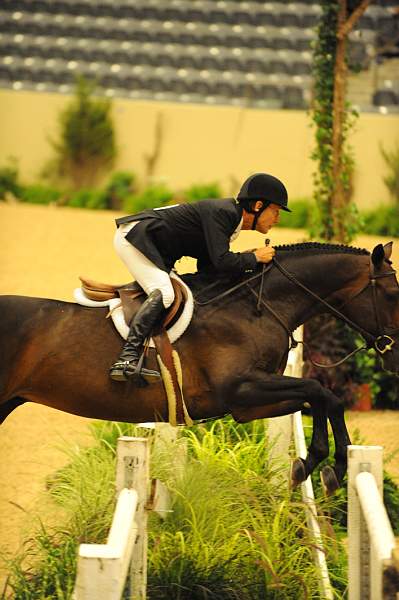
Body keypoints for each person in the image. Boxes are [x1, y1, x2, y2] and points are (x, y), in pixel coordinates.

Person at [110, 172, 290, 382]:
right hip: (136, 237)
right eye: (275, 211)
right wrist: (253, 258)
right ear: (258, 205)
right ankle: (127, 358)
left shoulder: (231, 221)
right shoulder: (223, 213)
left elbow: (210, 268)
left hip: (151, 243)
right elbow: (222, 262)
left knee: (183, 292)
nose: (277, 219)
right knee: (166, 294)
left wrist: (249, 260)